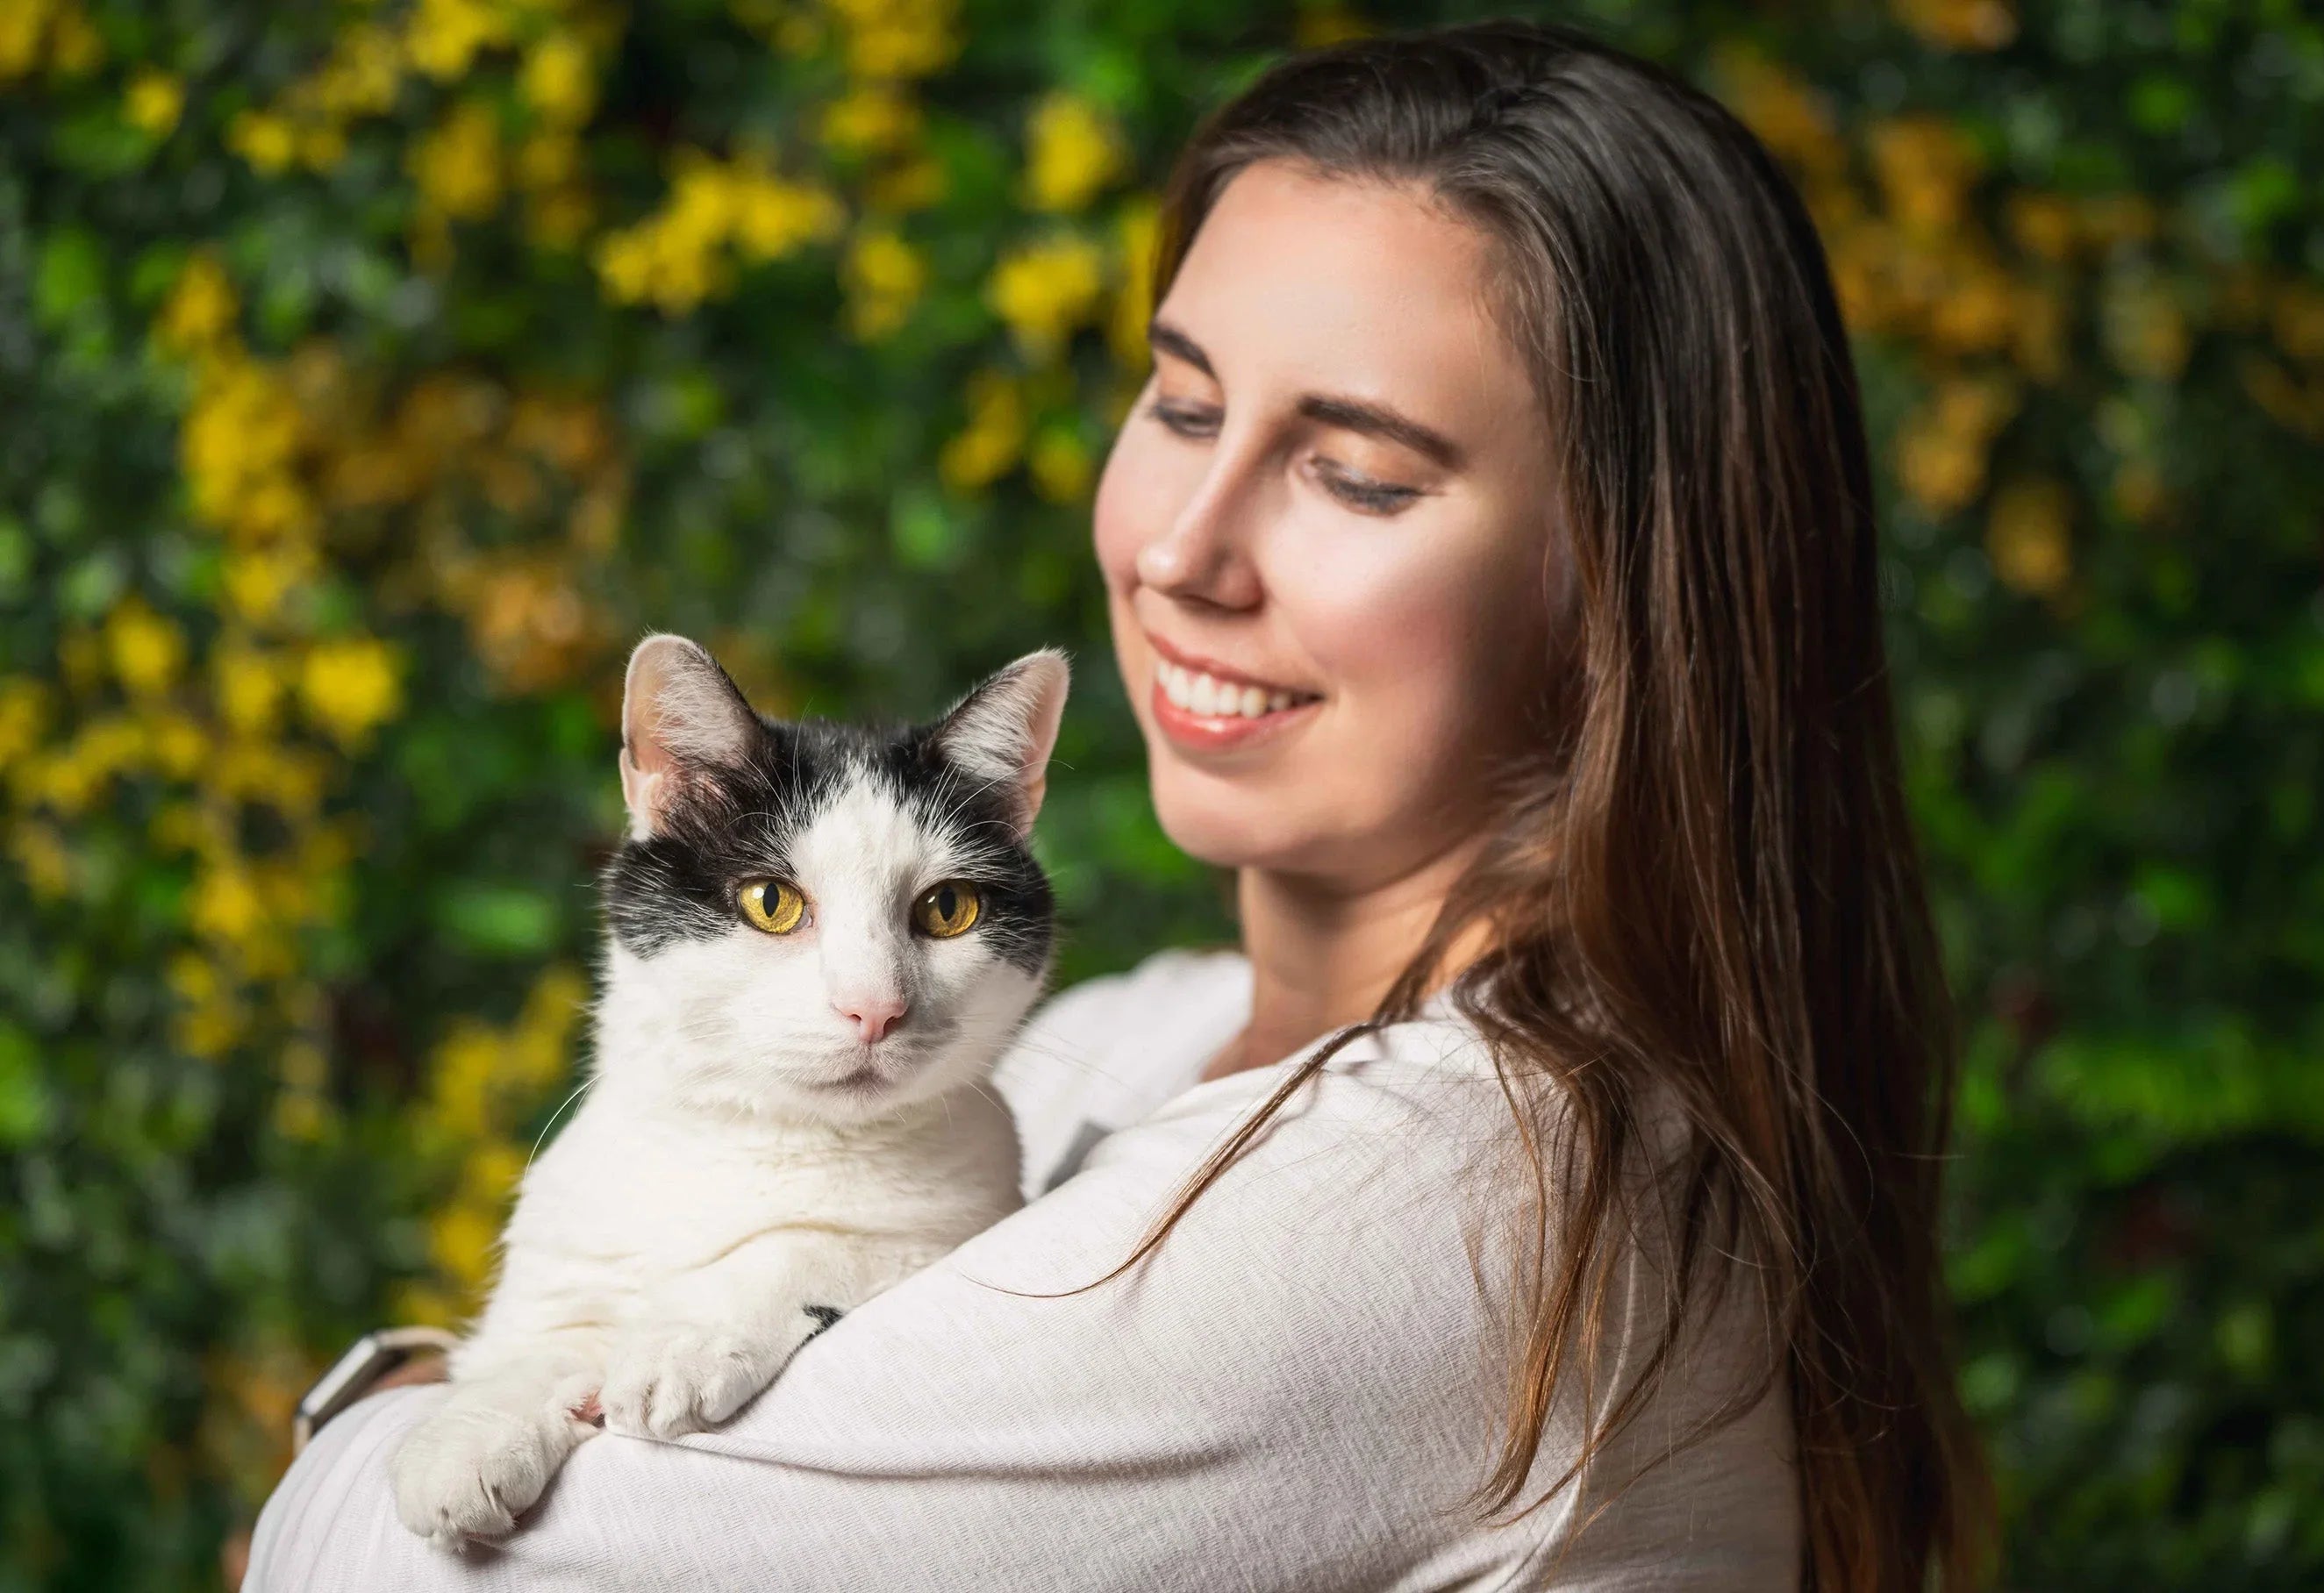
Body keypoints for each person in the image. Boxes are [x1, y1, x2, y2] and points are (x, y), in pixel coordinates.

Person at [240, 18, 1993, 1591]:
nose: (1176, 547)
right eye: (1180, 398)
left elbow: (388, 1571)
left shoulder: (1427, 1201)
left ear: (1619, 587)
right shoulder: (1147, 1041)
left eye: (1358, 474)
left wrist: (387, 1400)